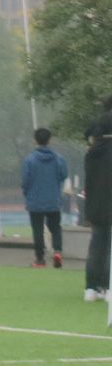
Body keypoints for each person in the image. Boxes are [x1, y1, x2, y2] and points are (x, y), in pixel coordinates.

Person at [22, 126, 70, 269]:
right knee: (55, 228)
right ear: (50, 140)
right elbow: (64, 175)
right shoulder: (58, 159)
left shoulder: (29, 160)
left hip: (35, 201)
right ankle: (57, 251)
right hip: (53, 200)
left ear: (35, 141)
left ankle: (40, 259)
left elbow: (25, 181)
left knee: (37, 229)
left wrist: (27, 194)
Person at [84, 112, 112, 302]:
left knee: (96, 246)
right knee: (109, 248)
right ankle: (108, 287)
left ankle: (91, 288)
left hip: (95, 206)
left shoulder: (91, 154)